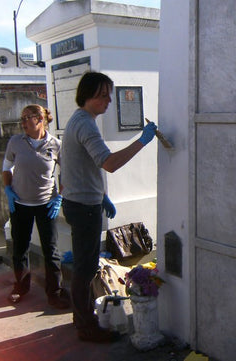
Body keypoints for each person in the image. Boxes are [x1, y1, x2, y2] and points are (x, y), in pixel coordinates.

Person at [60, 71, 157, 343]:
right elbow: (109, 163)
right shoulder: (85, 124)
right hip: (83, 206)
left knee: (85, 265)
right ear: (87, 95)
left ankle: (82, 318)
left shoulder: (80, 120)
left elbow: (79, 163)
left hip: (84, 201)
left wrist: (101, 193)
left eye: (109, 95)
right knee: (86, 268)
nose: (108, 101)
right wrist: (142, 141)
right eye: (103, 95)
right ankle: (86, 327)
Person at [3, 104, 70, 309]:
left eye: (26, 118)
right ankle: (20, 287)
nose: (22, 123)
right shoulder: (15, 142)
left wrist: (59, 197)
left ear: (40, 119)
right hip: (20, 204)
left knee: (51, 251)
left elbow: (65, 173)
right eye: (21, 119)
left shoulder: (56, 145)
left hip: (46, 205)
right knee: (20, 248)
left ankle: (55, 293)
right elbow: (7, 167)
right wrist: (8, 189)